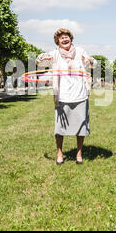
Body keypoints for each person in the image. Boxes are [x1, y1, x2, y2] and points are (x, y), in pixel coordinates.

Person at [36, 28, 96, 165]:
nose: (64, 39)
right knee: (60, 128)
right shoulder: (55, 54)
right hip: (62, 96)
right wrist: (41, 58)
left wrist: (90, 60)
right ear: (57, 41)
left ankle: (79, 154)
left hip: (80, 94)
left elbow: (93, 64)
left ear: (71, 38)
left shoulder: (80, 51)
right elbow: (39, 62)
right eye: (61, 37)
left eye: (66, 36)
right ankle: (59, 153)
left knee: (81, 127)